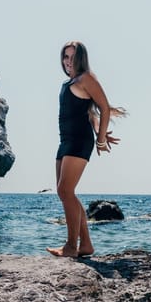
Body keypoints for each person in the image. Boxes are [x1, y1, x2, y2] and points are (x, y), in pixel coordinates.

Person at [46, 41, 126, 258]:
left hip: (80, 140)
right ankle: (86, 245)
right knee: (65, 193)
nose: (68, 61)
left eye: (72, 57)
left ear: (81, 59)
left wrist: (100, 140)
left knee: (65, 191)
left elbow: (104, 107)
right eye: (65, 57)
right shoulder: (69, 83)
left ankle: (71, 246)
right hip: (65, 140)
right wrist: (99, 128)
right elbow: (90, 113)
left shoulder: (86, 78)